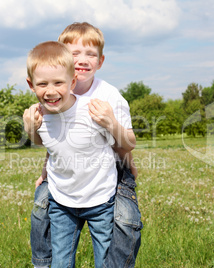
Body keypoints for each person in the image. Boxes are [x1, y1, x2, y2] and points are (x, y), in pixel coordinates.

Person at [24, 22, 143, 268]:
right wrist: (44, 168)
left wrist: (110, 123)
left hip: (113, 168)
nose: (82, 59)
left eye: (90, 54)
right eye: (74, 53)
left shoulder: (108, 97)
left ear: (100, 61)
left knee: (125, 223)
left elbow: (127, 144)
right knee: (41, 203)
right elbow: (55, 138)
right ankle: (43, 262)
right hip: (67, 177)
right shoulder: (53, 90)